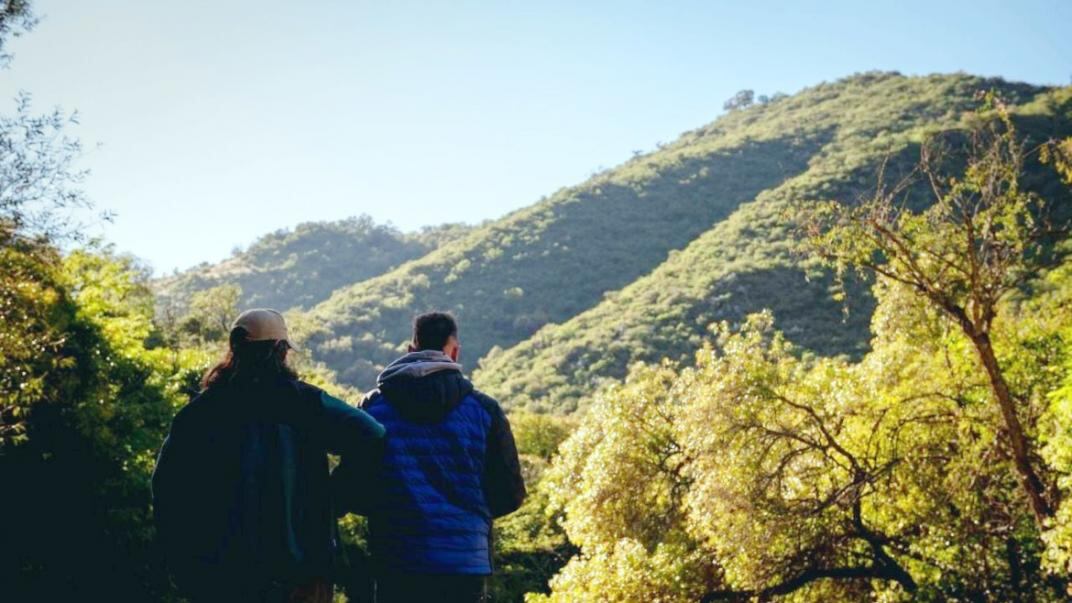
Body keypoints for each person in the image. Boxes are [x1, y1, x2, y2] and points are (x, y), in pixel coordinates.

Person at [152, 309, 385, 603]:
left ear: (234, 350)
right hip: (300, 576)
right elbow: (372, 435)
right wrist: (334, 497)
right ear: (281, 351)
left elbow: (166, 489)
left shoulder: (198, 414)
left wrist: (181, 562)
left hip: (217, 577)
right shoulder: (306, 403)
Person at [334, 311, 526, 603]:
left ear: (411, 349)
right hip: (464, 564)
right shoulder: (485, 410)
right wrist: (467, 518)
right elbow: (509, 494)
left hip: (396, 560)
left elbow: (351, 488)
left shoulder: (373, 408)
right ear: (454, 351)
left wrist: (387, 511)